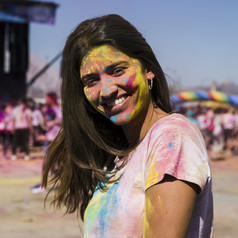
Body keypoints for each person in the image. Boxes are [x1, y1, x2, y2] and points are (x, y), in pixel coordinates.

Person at [42, 14, 213, 237]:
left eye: (117, 70)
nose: (106, 90)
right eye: (91, 81)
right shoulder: (122, 154)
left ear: (147, 68)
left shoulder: (171, 138)